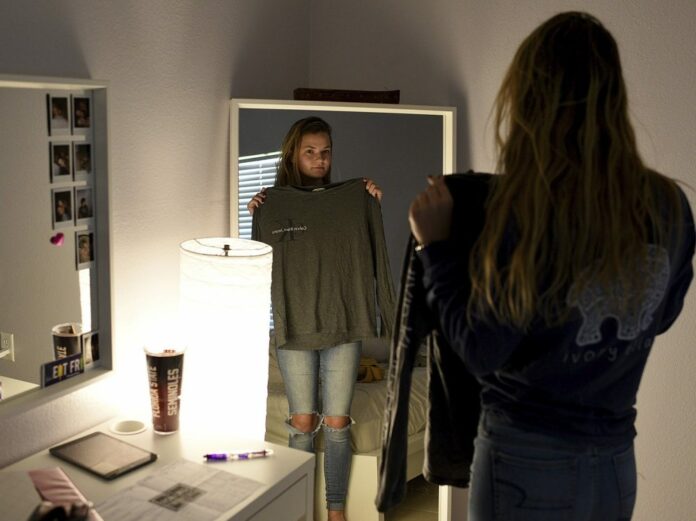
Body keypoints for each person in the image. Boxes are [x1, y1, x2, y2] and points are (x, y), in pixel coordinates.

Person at [408, 12, 694, 521]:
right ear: (613, 94)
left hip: (524, 460)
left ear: (529, 97)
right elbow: (663, 316)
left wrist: (437, 250)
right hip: (614, 466)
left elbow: (480, 348)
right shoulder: (669, 205)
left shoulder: (526, 208)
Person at [247, 116, 388, 521]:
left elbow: (372, 245)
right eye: (310, 151)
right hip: (294, 326)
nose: (319, 159)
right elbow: (260, 265)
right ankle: (298, 507)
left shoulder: (352, 198)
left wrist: (372, 203)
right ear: (294, 153)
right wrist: (260, 214)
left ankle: (335, 512)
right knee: (303, 420)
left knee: (338, 421)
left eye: (325, 152)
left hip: (343, 323)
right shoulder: (274, 203)